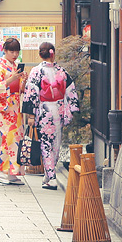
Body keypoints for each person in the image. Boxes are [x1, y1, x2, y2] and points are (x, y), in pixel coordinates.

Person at [22, 41, 79, 190]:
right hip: (59, 110)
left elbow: (31, 94)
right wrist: (70, 110)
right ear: (53, 54)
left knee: (46, 144)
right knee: (56, 143)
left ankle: (51, 177)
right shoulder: (62, 71)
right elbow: (71, 91)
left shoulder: (36, 71)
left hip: (44, 111)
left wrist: (31, 115)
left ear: (40, 54)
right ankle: (49, 176)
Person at [0, 37, 26, 185]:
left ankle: (12, 173)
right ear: (4, 50)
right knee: (7, 137)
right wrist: (11, 80)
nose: (15, 54)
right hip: (5, 106)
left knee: (16, 138)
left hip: (15, 105)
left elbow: (20, 89)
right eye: (12, 51)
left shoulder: (14, 65)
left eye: (17, 51)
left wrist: (23, 80)